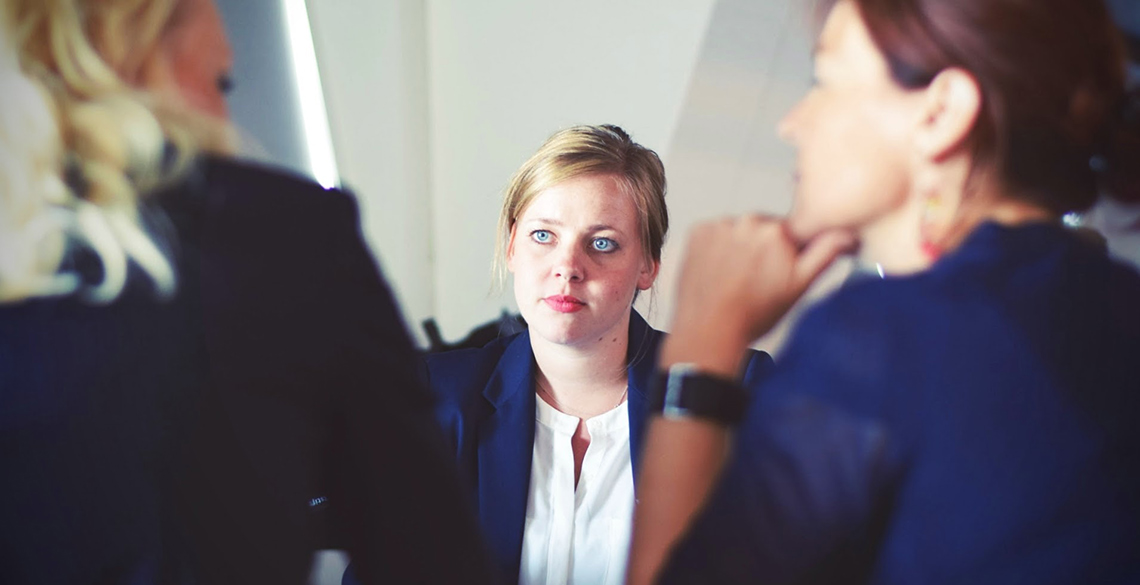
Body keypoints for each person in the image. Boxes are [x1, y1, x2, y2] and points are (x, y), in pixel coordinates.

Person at [627, 0, 1140, 583]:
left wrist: (704, 334)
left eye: (825, 80)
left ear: (940, 113)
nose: (792, 122)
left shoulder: (884, 337)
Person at [0, 0, 493, 583]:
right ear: (135, 40)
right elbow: (426, 554)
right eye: (220, 83)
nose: (225, 118)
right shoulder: (280, 235)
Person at [427, 124, 772, 585]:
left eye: (602, 242)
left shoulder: (731, 389)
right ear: (512, 246)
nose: (567, 267)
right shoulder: (438, 397)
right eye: (543, 236)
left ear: (648, 265)